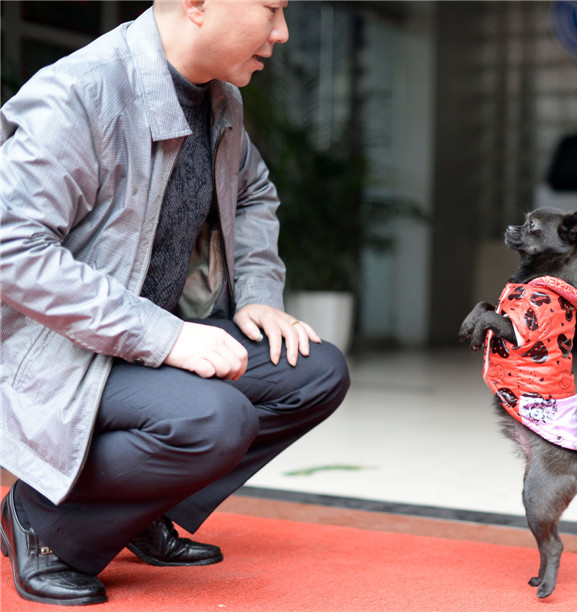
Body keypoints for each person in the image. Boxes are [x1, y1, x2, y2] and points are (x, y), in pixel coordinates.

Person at [0, 0, 349, 606]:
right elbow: (11, 249)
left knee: (313, 372)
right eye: (269, 9)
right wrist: (167, 337)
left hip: (137, 341)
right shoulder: (79, 93)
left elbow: (254, 192)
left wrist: (260, 292)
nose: (282, 32)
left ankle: (137, 510)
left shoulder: (219, 97)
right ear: (196, 5)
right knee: (214, 420)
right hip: (51, 351)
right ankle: (41, 520)